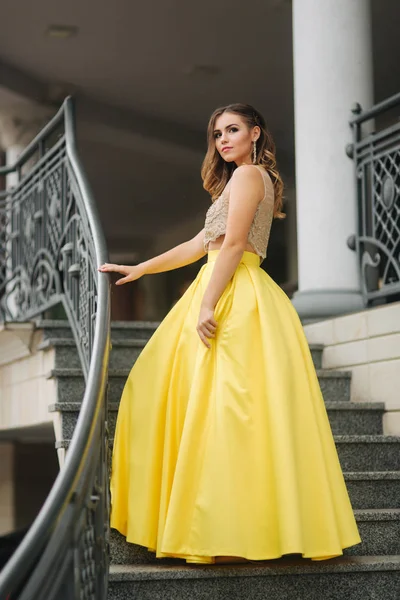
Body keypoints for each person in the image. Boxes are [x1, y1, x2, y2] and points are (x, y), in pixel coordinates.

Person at [98, 103, 362, 565]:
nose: (222, 139)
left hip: (233, 293)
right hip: (229, 284)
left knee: (223, 412)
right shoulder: (240, 181)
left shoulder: (248, 177)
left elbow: (235, 245)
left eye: (233, 129)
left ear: (256, 133)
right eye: (217, 133)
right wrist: (141, 267)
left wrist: (205, 302)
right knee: (213, 408)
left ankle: (221, 528)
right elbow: (200, 244)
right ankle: (226, 524)